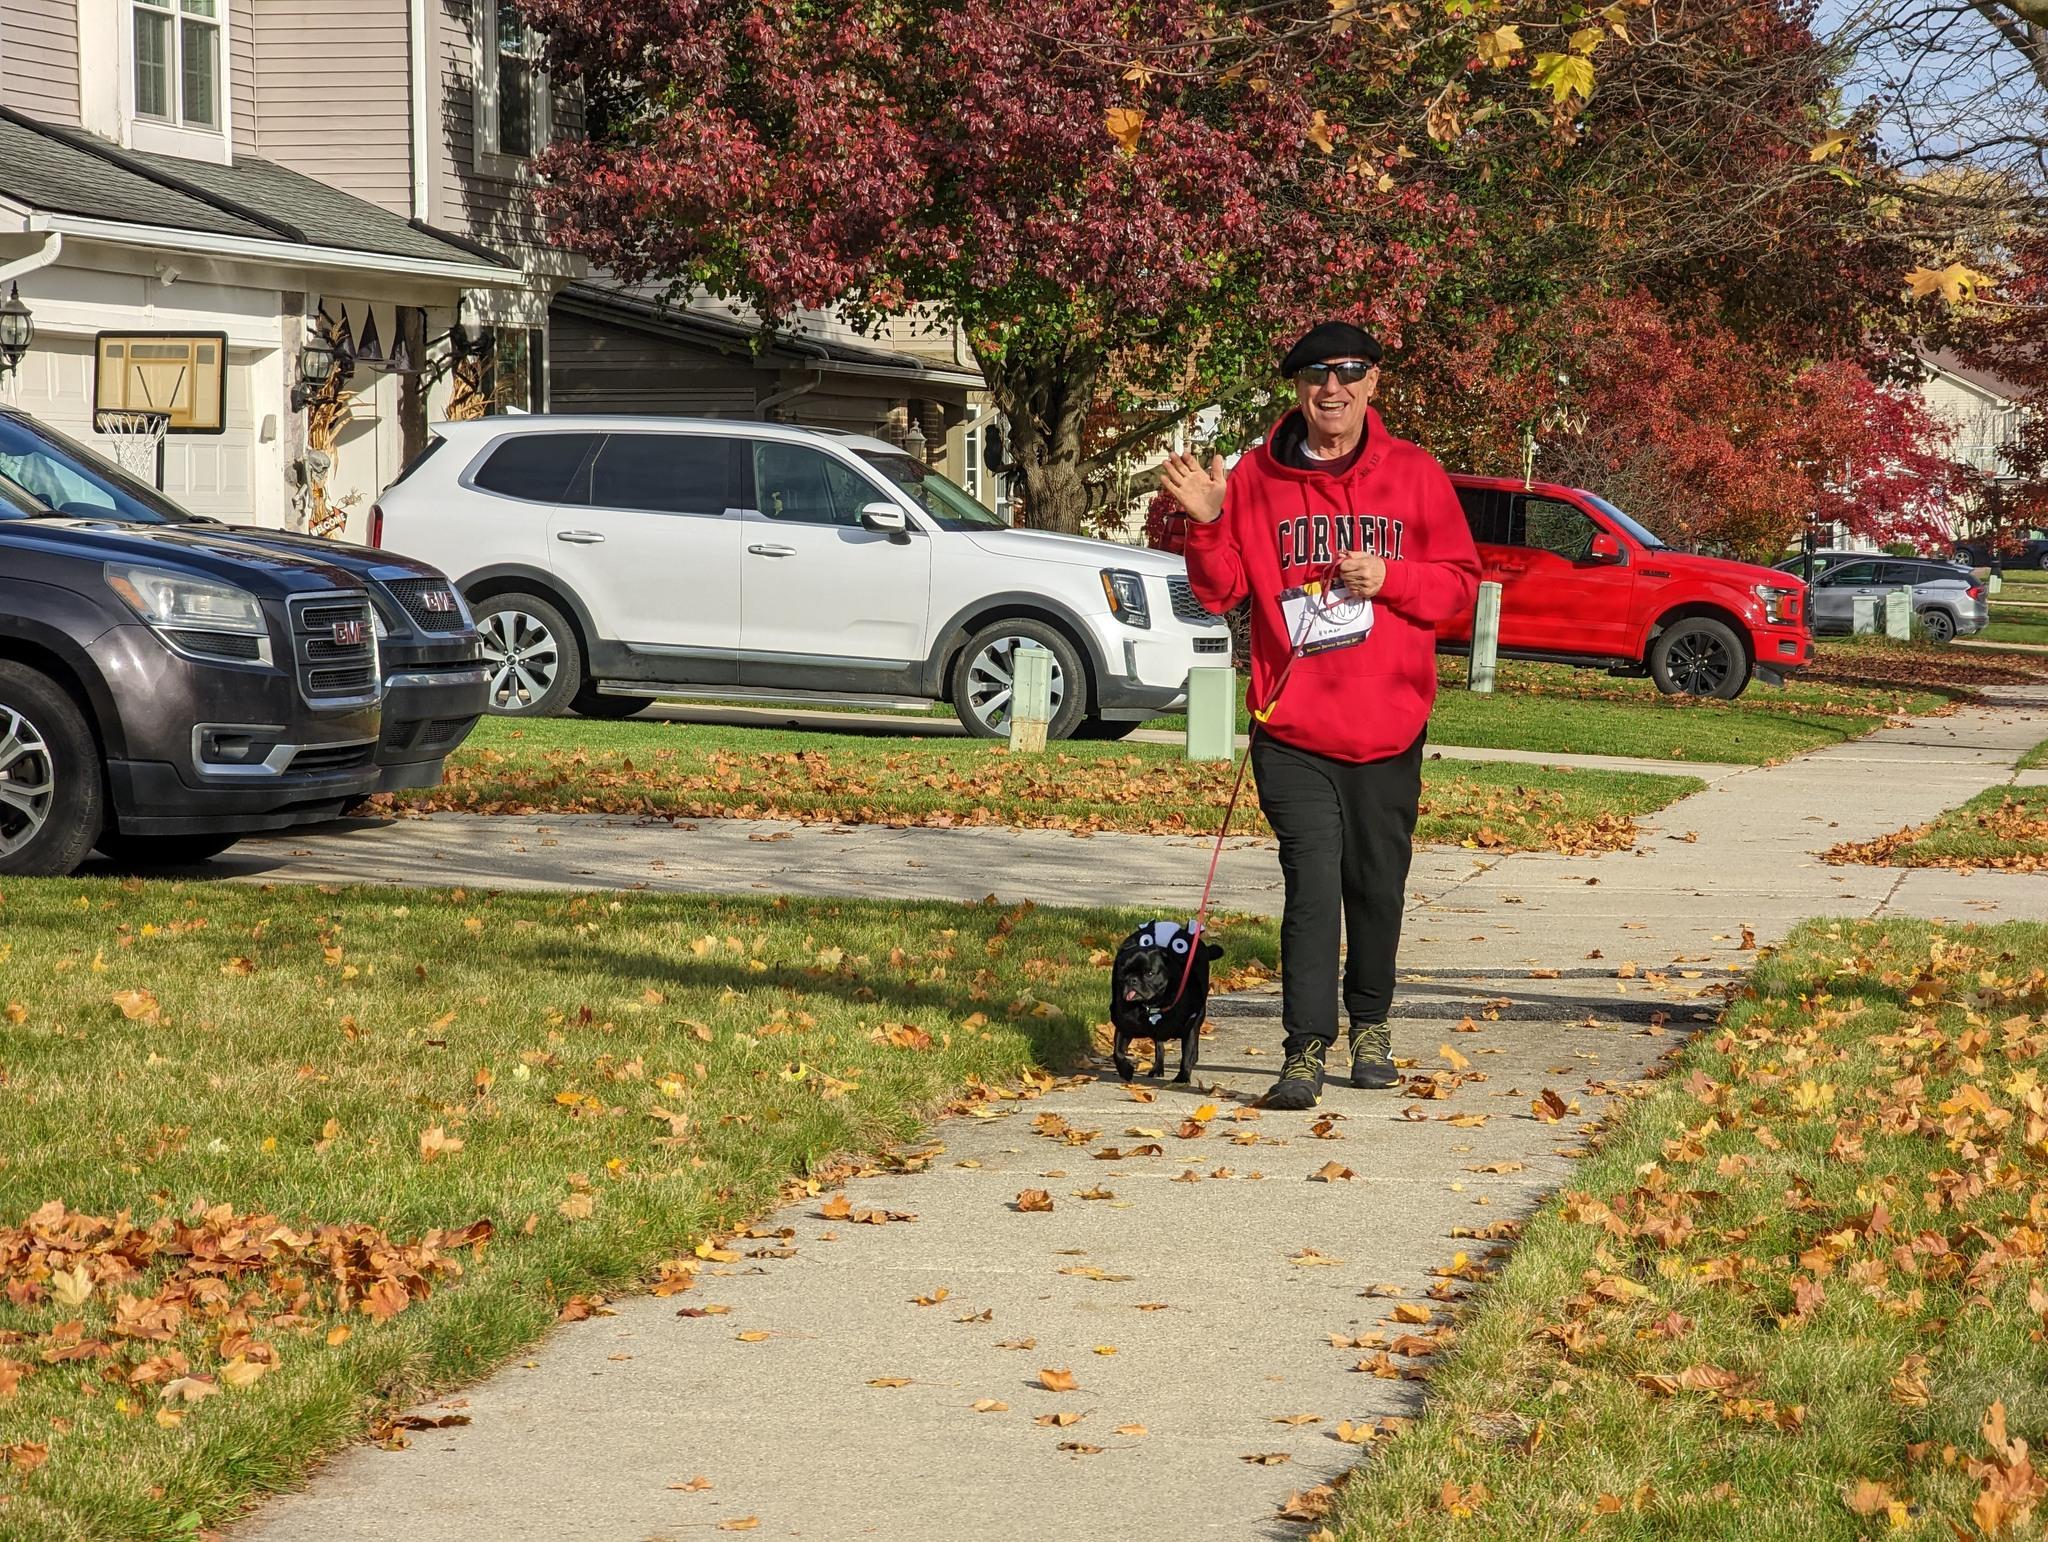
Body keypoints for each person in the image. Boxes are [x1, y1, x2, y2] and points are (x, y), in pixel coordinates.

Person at [1160, 322, 1480, 1110]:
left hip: (1388, 726)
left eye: (1348, 373)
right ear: (1297, 388)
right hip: (1292, 725)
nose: (1330, 388)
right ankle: (1304, 1048)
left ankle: (1370, 1025)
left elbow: (1462, 589)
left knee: (1376, 886)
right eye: (1314, 374)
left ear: (1373, 384)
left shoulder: (1416, 476)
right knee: (1311, 886)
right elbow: (1223, 590)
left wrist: (1394, 576)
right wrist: (1206, 523)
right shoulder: (1256, 479)